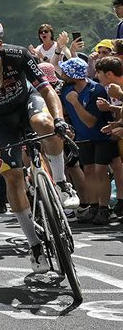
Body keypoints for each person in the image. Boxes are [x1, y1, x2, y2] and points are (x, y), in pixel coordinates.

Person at [0, 16, 77, 271]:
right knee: (12, 176)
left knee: (45, 124)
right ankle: (34, 246)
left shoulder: (19, 56)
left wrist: (59, 120)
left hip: (26, 106)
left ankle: (61, 183)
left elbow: (47, 91)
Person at [58, 57, 115, 225]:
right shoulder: (66, 90)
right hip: (82, 139)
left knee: (100, 172)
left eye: (65, 72)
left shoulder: (95, 90)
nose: (62, 75)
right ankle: (93, 206)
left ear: (73, 74)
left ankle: (104, 209)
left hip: (101, 137)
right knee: (88, 171)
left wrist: (75, 103)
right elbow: (63, 113)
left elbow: (90, 121)